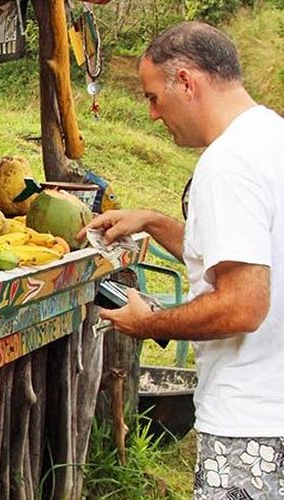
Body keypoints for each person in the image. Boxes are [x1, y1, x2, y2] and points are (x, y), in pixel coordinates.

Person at [79, 22, 284, 499]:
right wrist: (153, 221)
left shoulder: (227, 163)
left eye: (153, 97)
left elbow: (243, 306)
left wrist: (150, 323)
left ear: (187, 82)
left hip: (252, 423)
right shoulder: (271, 137)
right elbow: (249, 250)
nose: (152, 115)